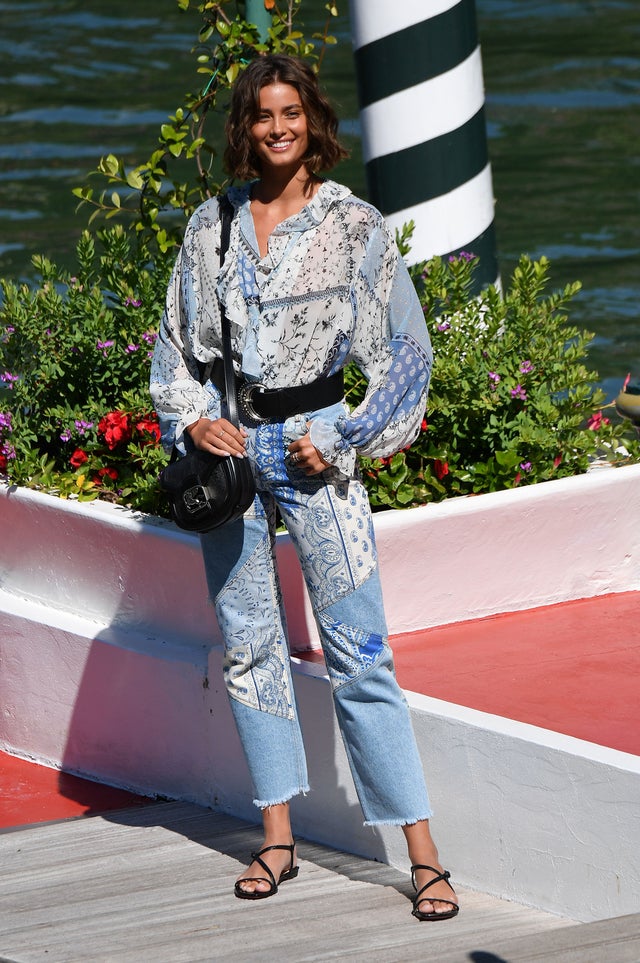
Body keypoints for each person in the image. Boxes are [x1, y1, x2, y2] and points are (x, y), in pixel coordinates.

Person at [150, 53, 459, 923]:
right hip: (233, 454)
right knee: (251, 646)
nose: (277, 127)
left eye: (290, 112)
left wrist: (351, 434)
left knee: (362, 654)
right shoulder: (210, 226)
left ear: (311, 120)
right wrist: (192, 420)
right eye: (261, 115)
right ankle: (277, 835)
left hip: (317, 447)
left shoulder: (355, 225)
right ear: (245, 128)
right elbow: (175, 348)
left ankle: (423, 855)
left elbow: (406, 352)